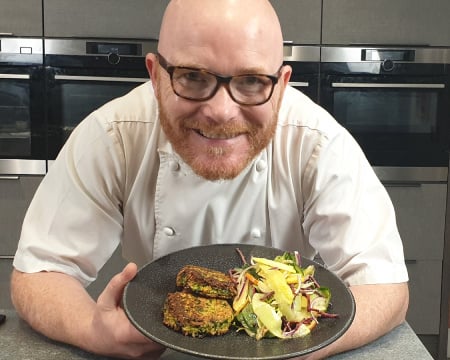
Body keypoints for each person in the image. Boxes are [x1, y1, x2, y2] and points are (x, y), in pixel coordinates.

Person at [10, 0, 409, 359]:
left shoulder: (319, 144)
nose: (221, 111)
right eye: (192, 77)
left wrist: (305, 346)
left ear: (282, 85)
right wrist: (92, 330)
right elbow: (40, 273)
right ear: (155, 75)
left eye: (252, 81)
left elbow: (385, 287)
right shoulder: (113, 135)